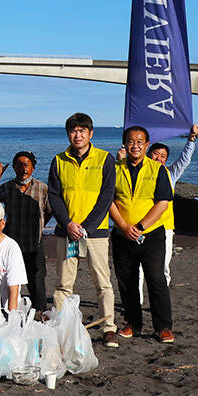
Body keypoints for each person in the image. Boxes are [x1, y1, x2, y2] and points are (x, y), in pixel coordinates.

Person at [47, 113, 119, 348]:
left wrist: (86, 227)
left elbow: (107, 196)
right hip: (67, 232)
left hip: (95, 233)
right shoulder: (59, 160)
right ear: (68, 134)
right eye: (73, 131)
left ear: (91, 133)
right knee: (64, 283)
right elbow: (54, 196)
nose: (77, 135)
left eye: (82, 131)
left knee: (103, 282)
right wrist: (68, 223)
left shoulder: (105, 159)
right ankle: (60, 325)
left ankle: (108, 327)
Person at [108, 126, 175, 344]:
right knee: (126, 281)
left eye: (140, 142)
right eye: (130, 141)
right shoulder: (114, 168)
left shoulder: (158, 170)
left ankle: (163, 327)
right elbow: (107, 200)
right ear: (124, 145)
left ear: (146, 145)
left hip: (152, 235)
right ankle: (133, 324)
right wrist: (124, 226)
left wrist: (140, 226)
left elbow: (163, 202)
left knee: (156, 280)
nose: (135, 145)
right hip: (121, 233)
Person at [0, 151, 52, 314]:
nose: (23, 169)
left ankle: (41, 314)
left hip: (34, 244)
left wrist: (40, 224)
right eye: (19, 164)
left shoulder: (42, 188)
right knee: (10, 281)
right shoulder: (8, 187)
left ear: (33, 167)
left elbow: (50, 211)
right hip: (12, 245)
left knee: (37, 282)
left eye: (26, 164)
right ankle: (9, 313)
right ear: (14, 167)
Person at [139, 124, 198, 298]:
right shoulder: (139, 172)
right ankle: (138, 301)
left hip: (165, 228)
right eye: (156, 154)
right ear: (148, 154)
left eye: (163, 156)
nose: (159, 158)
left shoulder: (170, 174)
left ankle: (160, 299)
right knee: (140, 266)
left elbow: (184, 160)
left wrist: (191, 139)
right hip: (141, 226)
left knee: (163, 266)